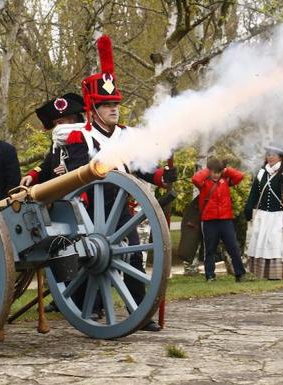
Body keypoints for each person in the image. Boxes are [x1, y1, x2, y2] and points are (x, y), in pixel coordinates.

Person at [62, 35, 177, 332]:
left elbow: (140, 165)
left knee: (135, 257)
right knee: (89, 259)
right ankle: (88, 309)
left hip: (122, 207)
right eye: (107, 104)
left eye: (115, 104)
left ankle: (139, 312)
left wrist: (161, 177)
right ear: (93, 107)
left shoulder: (126, 134)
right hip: (90, 208)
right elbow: (77, 175)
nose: (114, 109)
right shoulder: (80, 136)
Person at [244, 144, 283, 279]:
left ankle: (279, 273)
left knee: (276, 243)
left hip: (280, 216)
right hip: (264, 216)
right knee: (262, 242)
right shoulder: (261, 172)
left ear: (281, 157)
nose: (269, 157)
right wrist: (248, 207)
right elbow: (254, 193)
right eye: (268, 154)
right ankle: (263, 273)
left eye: (273, 154)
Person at [192, 158, 247, 282]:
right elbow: (195, 179)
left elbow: (239, 176)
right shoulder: (204, 182)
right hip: (209, 221)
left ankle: (240, 274)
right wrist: (208, 170)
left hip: (225, 220)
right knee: (210, 249)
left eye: (218, 172)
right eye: (213, 172)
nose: (216, 175)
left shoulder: (226, 180)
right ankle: (210, 275)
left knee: (233, 248)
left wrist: (226, 170)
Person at [21, 93, 85, 187]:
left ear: (73, 120)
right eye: (55, 124)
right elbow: (48, 164)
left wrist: (69, 169)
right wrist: (33, 175)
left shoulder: (88, 137)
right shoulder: (57, 142)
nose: (57, 128)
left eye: (60, 122)